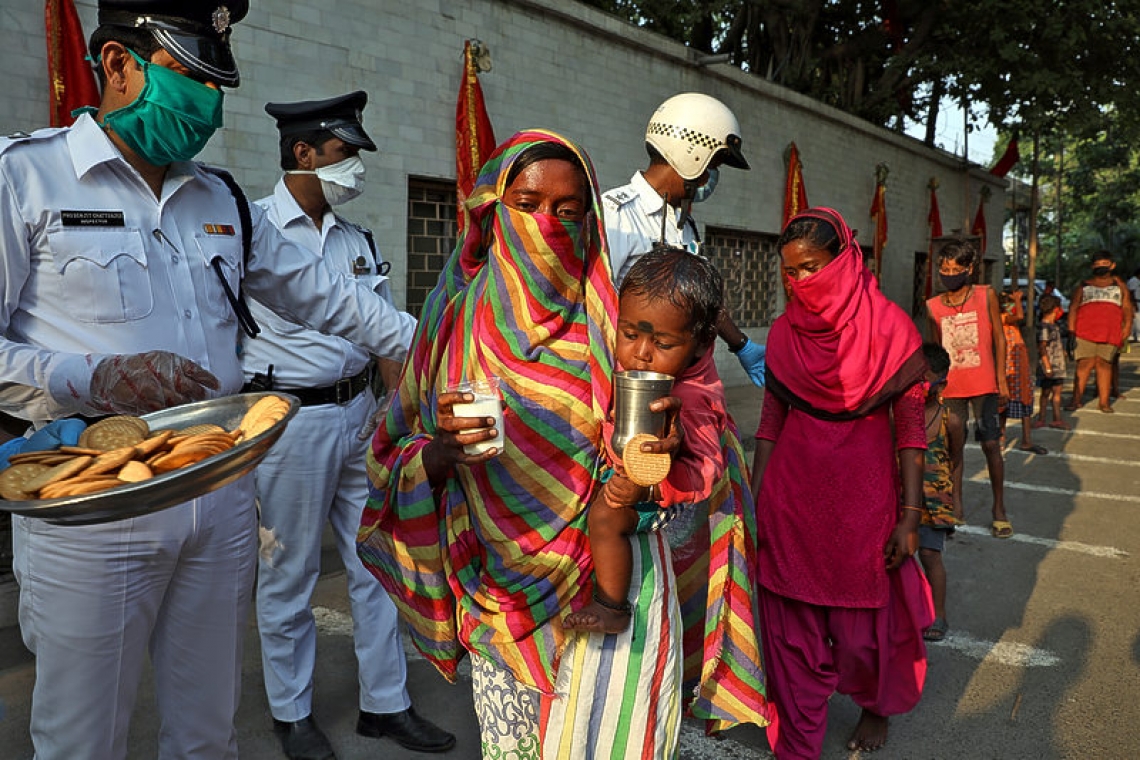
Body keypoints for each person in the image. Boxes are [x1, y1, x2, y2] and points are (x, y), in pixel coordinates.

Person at [0, 4, 416, 758]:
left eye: (215, 82)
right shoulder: (24, 177)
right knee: (83, 738)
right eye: (188, 76)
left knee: (208, 732)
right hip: (93, 501)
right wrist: (89, 375)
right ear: (119, 64)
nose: (208, 103)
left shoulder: (219, 200)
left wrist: (455, 349)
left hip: (218, 495)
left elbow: (335, 302)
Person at [357, 129, 735, 758]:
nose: (548, 225)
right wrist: (441, 453)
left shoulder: (623, 320)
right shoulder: (449, 321)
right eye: (528, 206)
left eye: (568, 210)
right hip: (495, 588)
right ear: (491, 212)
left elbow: (697, 456)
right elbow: (390, 452)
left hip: (613, 582)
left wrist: (659, 465)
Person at [244, 92, 454, 759]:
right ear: (303, 153)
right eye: (344, 154)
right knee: (290, 572)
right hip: (289, 424)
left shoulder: (358, 239)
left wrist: (400, 425)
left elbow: (389, 343)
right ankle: (292, 715)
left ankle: (384, 705)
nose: (355, 168)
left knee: (377, 567)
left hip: (361, 417)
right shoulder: (252, 230)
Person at [557, 245, 768, 738]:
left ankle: (611, 605)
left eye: (663, 343)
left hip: (662, 504)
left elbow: (704, 475)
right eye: (630, 335)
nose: (641, 354)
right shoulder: (644, 367)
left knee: (607, 516)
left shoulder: (689, 398)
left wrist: (663, 464)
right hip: (643, 478)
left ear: (698, 344)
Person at [751, 207, 932, 758]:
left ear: (845, 260)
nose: (799, 281)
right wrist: (756, 503)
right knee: (791, 632)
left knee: (860, 637)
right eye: (790, 271)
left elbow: (911, 432)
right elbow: (770, 424)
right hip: (792, 502)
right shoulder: (785, 333)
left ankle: (876, 705)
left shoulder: (893, 331)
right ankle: (799, 742)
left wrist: (909, 516)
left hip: (863, 508)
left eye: (810, 267)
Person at [602, 93, 768, 387]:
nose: (710, 177)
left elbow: (700, 303)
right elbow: (597, 306)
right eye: (713, 164)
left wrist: (740, 344)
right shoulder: (617, 215)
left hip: (677, 378)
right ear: (689, 153)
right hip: (630, 377)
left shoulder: (683, 225)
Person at [925, 240, 1011, 538]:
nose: (948, 274)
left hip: (985, 384)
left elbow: (1000, 338)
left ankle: (999, 509)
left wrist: (1001, 378)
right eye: (943, 269)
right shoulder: (933, 306)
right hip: (951, 388)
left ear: (969, 269)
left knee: (990, 444)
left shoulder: (986, 296)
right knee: (952, 448)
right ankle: (955, 507)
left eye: (955, 269)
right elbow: (936, 349)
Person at [917, 342, 956, 643]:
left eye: (927, 379)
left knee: (931, 555)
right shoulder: (898, 415)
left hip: (934, 500)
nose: (921, 385)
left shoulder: (950, 420)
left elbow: (956, 461)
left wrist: (956, 501)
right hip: (902, 497)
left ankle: (939, 614)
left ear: (942, 382)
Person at [1066, 251, 1134, 413]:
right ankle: (1076, 400)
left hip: (1111, 333)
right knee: (1084, 366)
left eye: (1105, 265)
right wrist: (1071, 331)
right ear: (1092, 267)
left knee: (1105, 366)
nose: (1101, 268)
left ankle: (1104, 402)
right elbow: (1073, 308)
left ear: (1112, 265)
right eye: (1097, 265)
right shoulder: (1084, 286)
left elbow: (1127, 308)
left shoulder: (1120, 286)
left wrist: (1126, 328)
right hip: (1084, 333)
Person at [999, 290, 1046, 454]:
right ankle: (1001, 439)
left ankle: (1026, 440)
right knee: (1002, 406)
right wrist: (1017, 300)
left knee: (1025, 402)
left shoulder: (1010, 324)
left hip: (1020, 368)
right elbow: (1019, 315)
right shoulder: (1001, 319)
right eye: (1007, 302)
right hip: (1009, 368)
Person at [1033, 293, 1070, 430]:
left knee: (1057, 393)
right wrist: (1047, 366)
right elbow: (1042, 347)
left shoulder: (1055, 326)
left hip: (1058, 366)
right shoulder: (1045, 327)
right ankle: (1042, 418)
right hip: (1049, 366)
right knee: (1045, 393)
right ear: (1055, 309)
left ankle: (1057, 418)